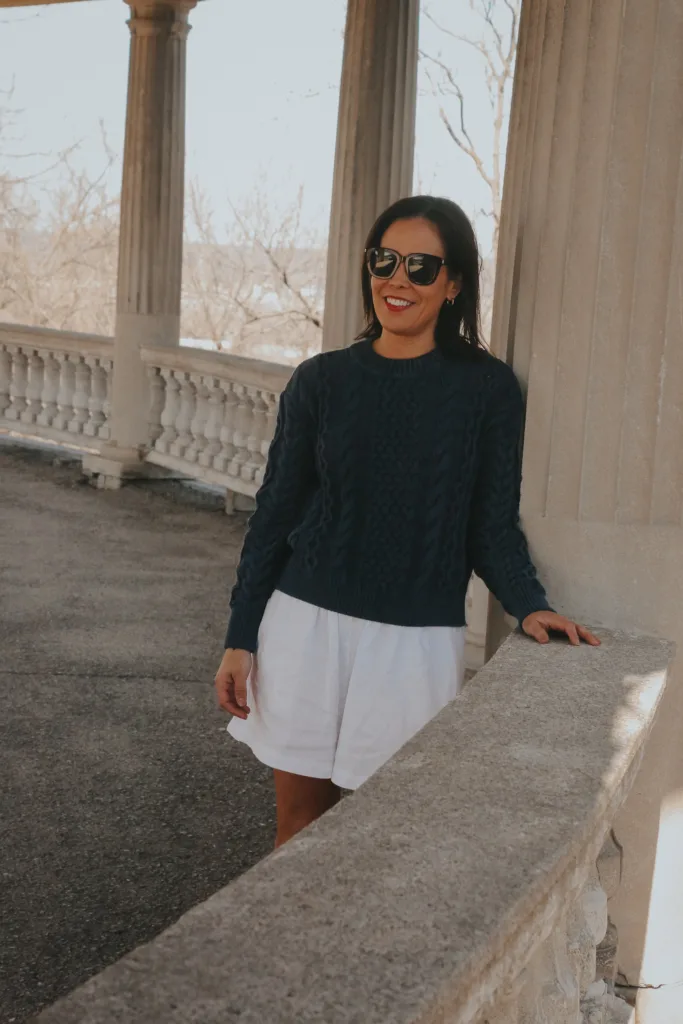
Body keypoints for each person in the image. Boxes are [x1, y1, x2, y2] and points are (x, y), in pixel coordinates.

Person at [215, 195, 599, 847]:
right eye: (384, 260)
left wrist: (529, 605)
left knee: (379, 834)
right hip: (303, 626)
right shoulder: (321, 381)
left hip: (414, 644)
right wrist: (239, 636)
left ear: (453, 284)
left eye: (421, 267)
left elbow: (489, 524)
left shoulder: (486, 390)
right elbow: (274, 516)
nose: (397, 279)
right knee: (300, 825)